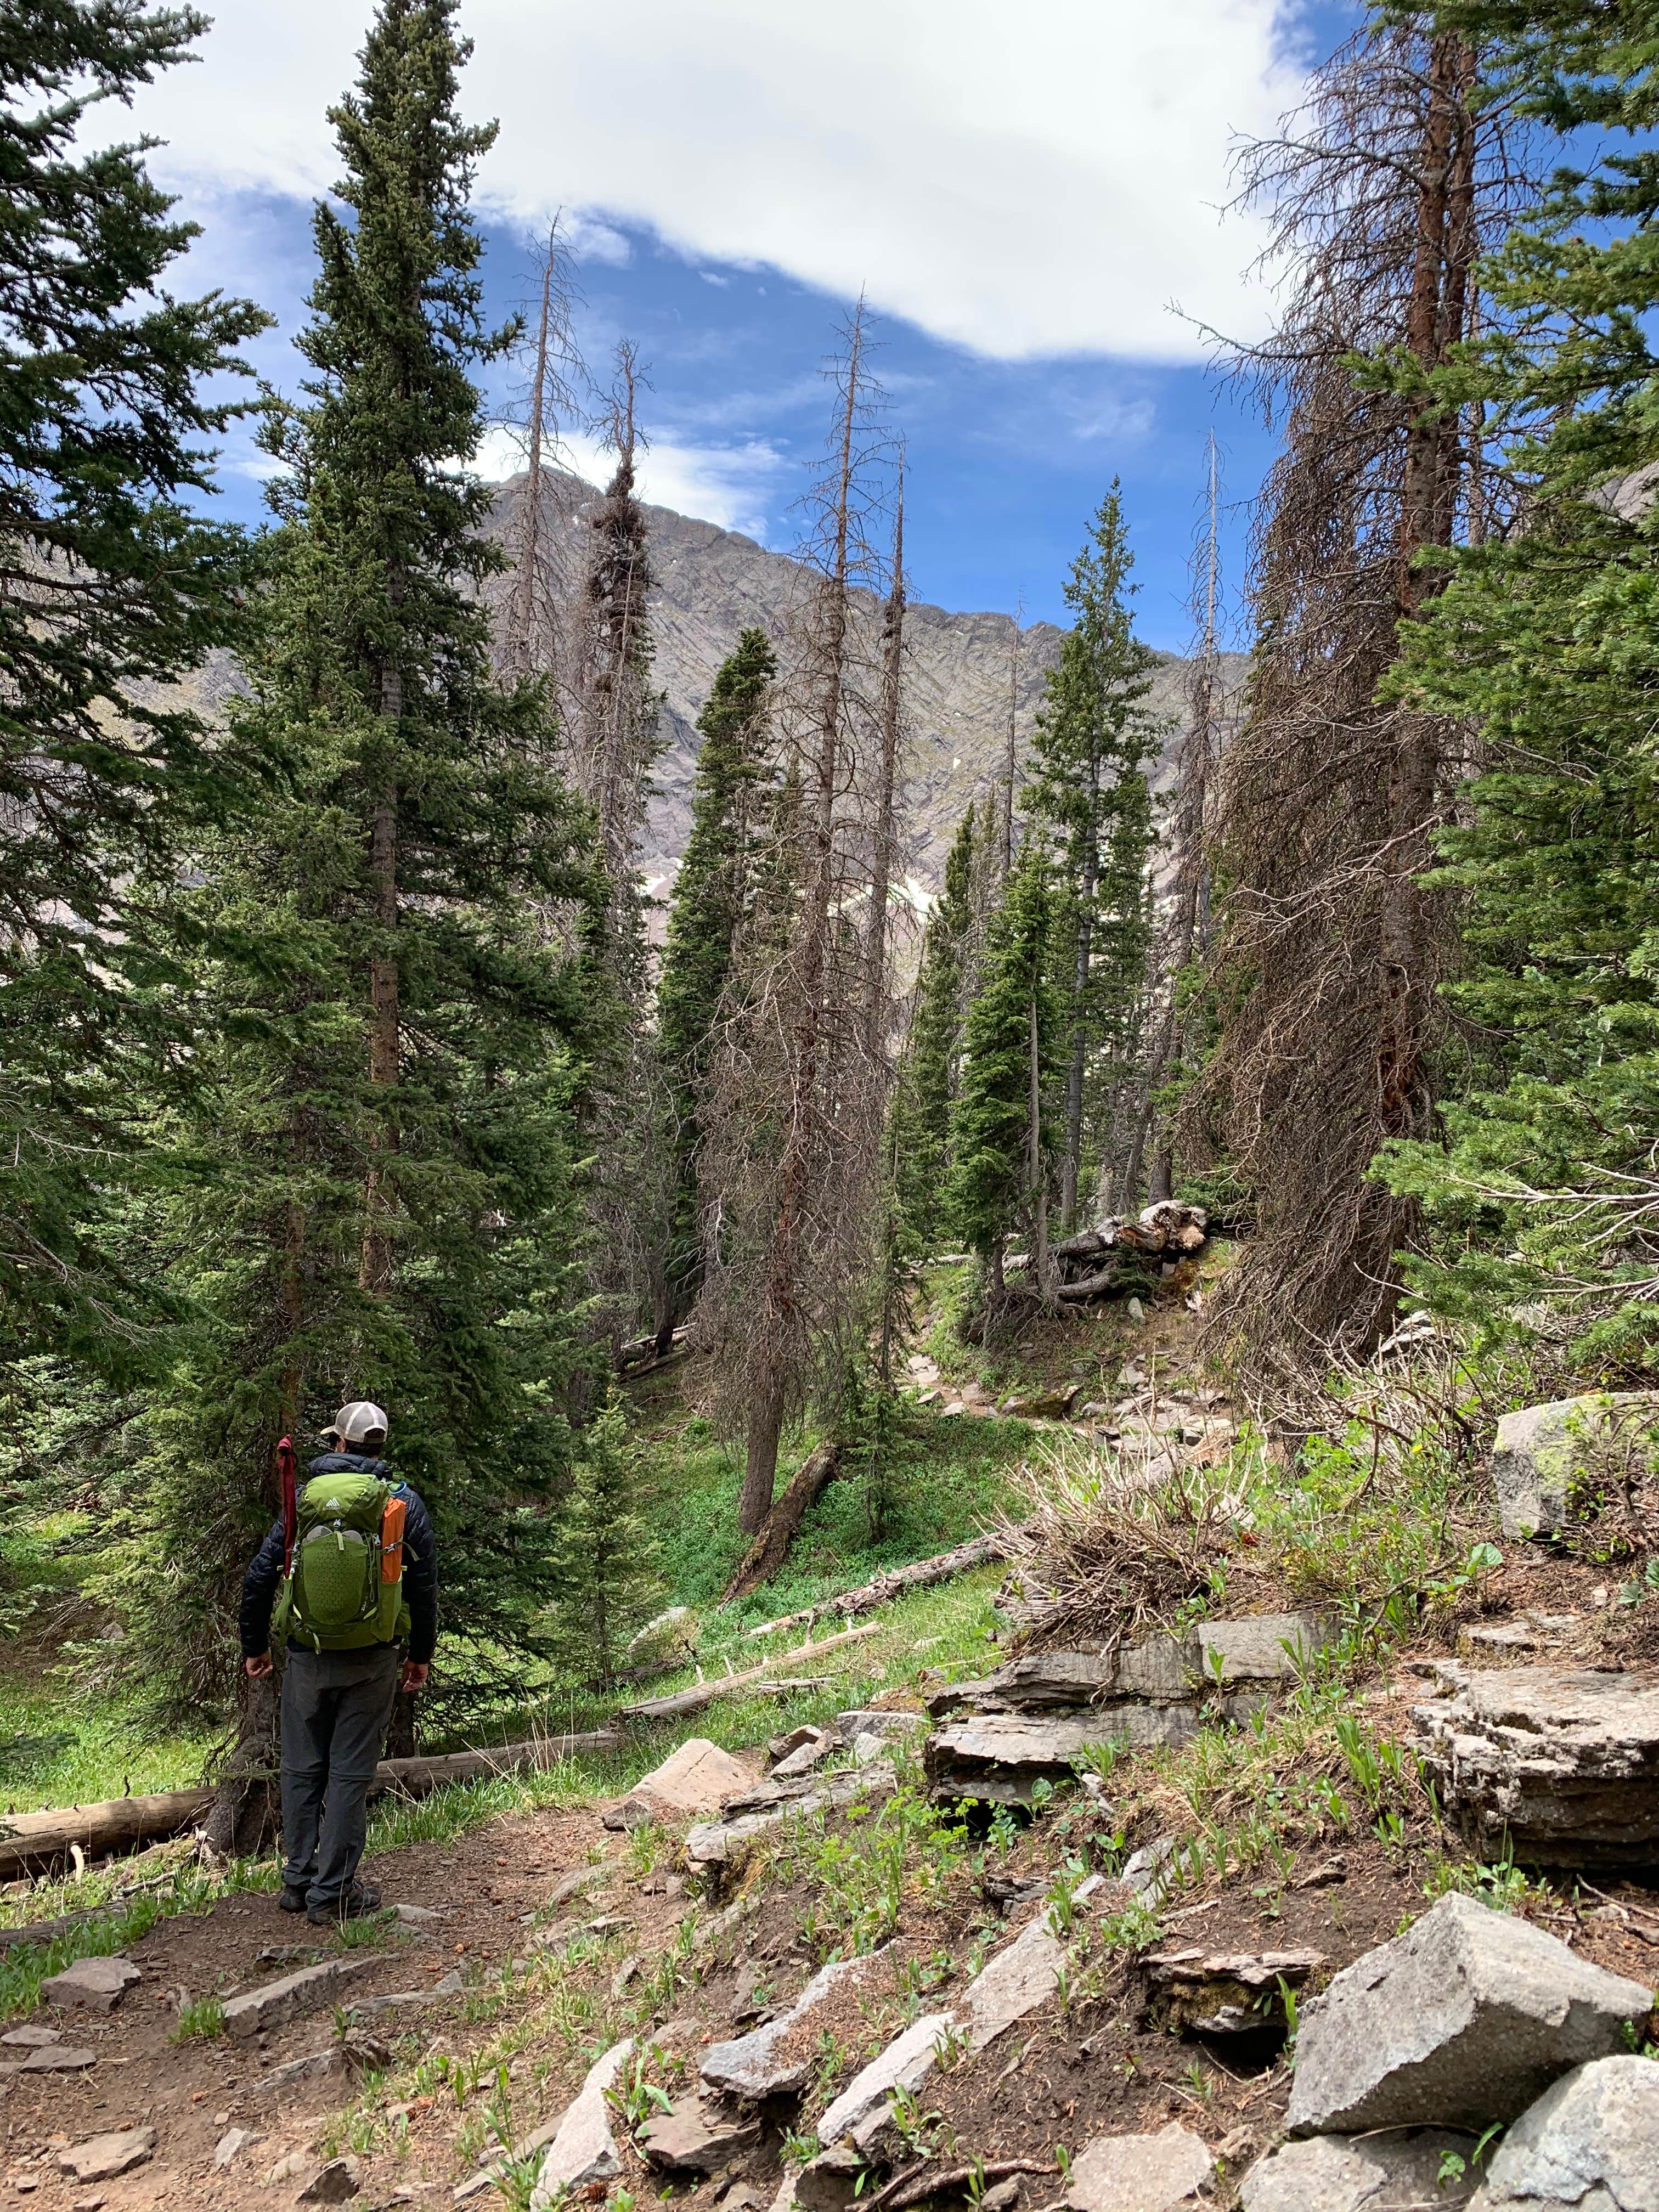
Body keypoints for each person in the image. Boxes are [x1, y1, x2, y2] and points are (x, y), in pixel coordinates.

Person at [240, 1401, 438, 1925]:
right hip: (374, 1658)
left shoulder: (305, 1500)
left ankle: (298, 1882)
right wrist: (420, 1655)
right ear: (379, 1447)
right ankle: (333, 1892)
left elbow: (262, 1575)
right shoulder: (400, 1503)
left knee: (302, 1766)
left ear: (340, 1445)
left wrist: (254, 1645)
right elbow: (423, 1586)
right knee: (350, 1774)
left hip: (308, 1655)